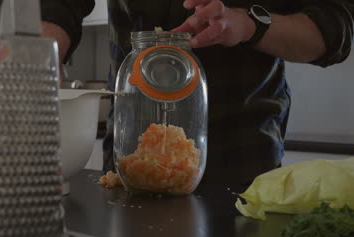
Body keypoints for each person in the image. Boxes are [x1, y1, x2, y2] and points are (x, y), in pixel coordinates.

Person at [39, 0, 354, 186]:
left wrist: (248, 24)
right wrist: (44, 53)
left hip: (241, 165)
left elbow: (333, 30)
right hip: (129, 165)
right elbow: (59, 6)